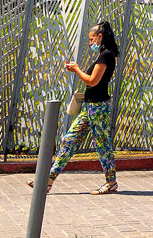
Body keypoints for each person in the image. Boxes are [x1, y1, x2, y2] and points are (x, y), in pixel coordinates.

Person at [32, 21, 120, 194]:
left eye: (91, 39)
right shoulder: (102, 54)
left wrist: (77, 70)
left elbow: (93, 81)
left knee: (102, 144)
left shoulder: (107, 55)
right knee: (69, 140)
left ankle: (111, 182)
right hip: (89, 107)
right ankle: (48, 180)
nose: (90, 43)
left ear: (100, 37)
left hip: (98, 107)